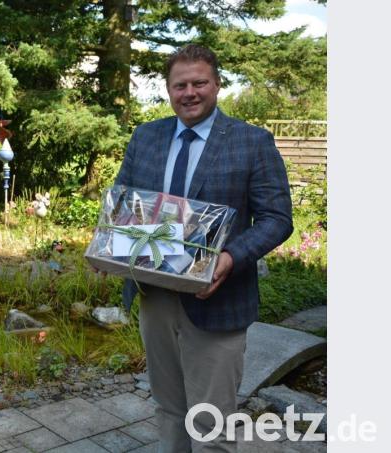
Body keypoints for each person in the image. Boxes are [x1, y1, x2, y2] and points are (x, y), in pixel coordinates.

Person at [113, 44, 293, 452]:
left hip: (218, 299)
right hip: (155, 295)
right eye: (180, 85)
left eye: (199, 83)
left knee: (211, 425)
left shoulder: (252, 141)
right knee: (169, 410)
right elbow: (123, 203)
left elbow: (277, 218)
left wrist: (230, 257)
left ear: (217, 85)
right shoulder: (146, 137)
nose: (189, 92)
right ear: (168, 89)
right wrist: (110, 246)